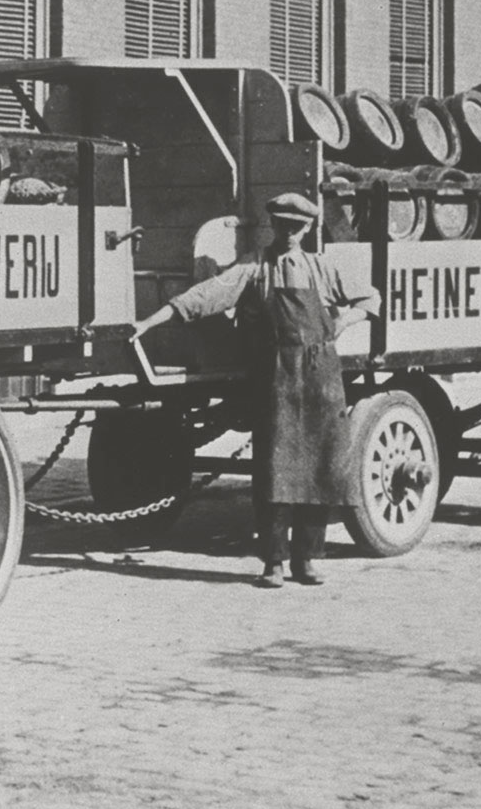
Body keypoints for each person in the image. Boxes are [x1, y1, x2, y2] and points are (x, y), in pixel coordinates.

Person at [131, 192, 380, 589]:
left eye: (297, 227)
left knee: (319, 471)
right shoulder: (255, 266)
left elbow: (372, 297)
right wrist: (150, 321)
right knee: (274, 473)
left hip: (321, 380)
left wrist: (343, 322)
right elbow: (205, 296)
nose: (290, 233)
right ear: (273, 225)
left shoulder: (322, 268)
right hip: (276, 378)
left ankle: (310, 559)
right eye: (283, 225)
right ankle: (274, 563)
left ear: (309, 228)